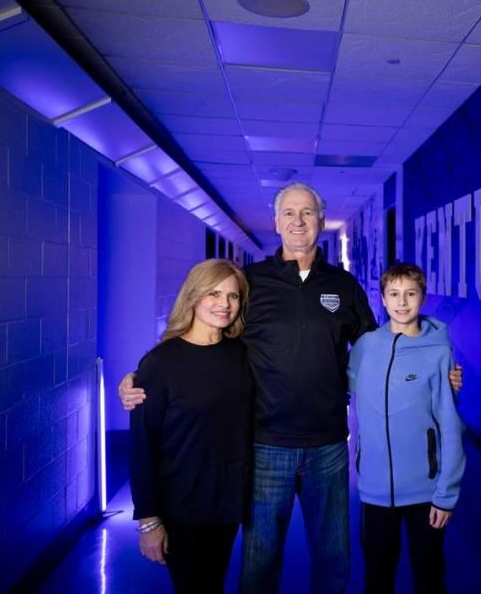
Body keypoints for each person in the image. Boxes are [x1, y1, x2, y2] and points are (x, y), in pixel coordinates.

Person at [119, 182, 463, 593]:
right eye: (289, 213)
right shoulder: (249, 284)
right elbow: (208, 340)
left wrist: (437, 359)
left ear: (320, 220)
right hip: (265, 445)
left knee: (334, 561)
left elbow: (382, 347)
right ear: (276, 221)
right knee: (260, 561)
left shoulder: (344, 286)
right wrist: (143, 379)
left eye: (307, 213)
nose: (298, 221)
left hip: (329, 447)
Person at [129, 258, 252, 593]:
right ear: (194, 297)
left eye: (233, 296)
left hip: (226, 502)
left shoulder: (241, 354)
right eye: (214, 293)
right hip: (181, 506)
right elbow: (142, 445)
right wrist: (149, 521)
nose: (224, 304)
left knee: (213, 585)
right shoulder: (160, 363)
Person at [348, 263, 465, 594]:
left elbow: (451, 427)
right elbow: (346, 386)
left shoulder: (439, 353)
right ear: (382, 299)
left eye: (410, 294)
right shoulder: (366, 347)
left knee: (429, 578)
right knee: (377, 578)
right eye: (394, 294)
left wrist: (446, 495)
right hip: (374, 490)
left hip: (425, 492)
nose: (402, 302)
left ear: (423, 298)